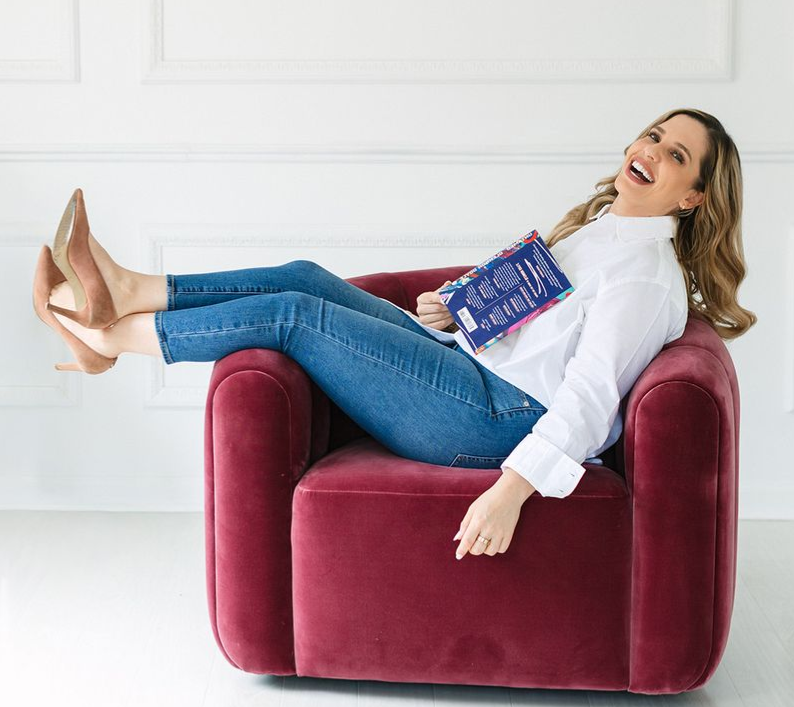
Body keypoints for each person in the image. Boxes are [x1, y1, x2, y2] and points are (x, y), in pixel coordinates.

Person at [33, 108, 756, 562]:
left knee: (295, 317)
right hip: (469, 365)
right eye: (656, 134)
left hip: (495, 418)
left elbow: (592, 394)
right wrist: (457, 310)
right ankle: (128, 290)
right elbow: (541, 329)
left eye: (677, 156)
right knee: (307, 277)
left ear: (692, 197)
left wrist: (513, 489)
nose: (654, 150)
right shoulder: (608, 232)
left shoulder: (643, 274)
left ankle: (112, 336)